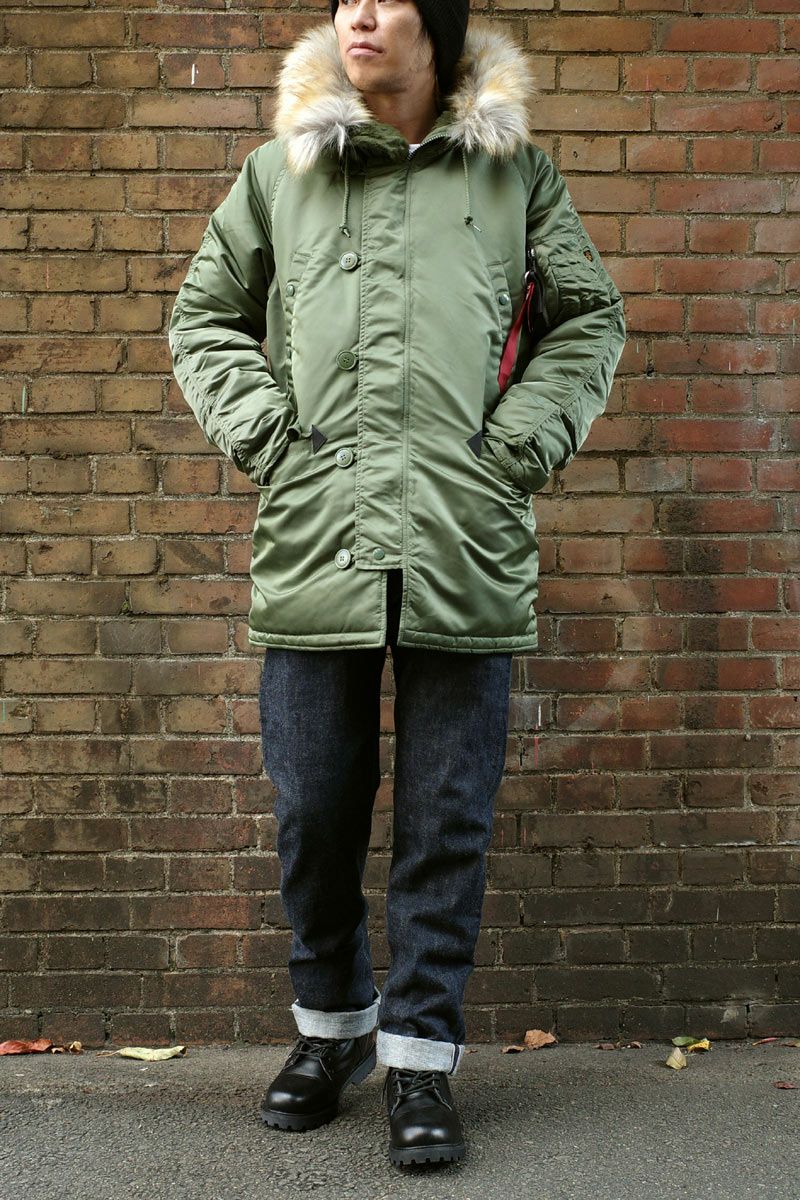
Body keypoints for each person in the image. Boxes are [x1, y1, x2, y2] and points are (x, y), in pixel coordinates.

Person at [168, 0, 626, 1170]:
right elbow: (204, 316)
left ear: (441, 21)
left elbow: (588, 319)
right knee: (314, 812)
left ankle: (421, 1060)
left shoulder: (514, 178)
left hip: (463, 540)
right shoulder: (278, 174)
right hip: (316, 538)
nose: (359, 15)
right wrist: (270, 438)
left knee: (444, 822)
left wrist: (512, 450)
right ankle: (332, 1033)